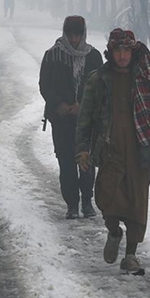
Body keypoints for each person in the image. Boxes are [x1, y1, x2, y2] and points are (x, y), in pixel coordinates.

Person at [75, 28, 150, 274]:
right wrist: (82, 149)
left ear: (132, 52)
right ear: (110, 52)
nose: (122, 56)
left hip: (141, 151)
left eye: (126, 51)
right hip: (110, 150)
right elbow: (85, 119)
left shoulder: (144, 79)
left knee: (137, 203)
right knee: (105, 196)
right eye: (117, 51)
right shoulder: (98, 79)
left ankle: (131, 255)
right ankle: (114, 232)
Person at [40, 16, 104, 219]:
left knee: (86, 161)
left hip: (87, 120)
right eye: (71, 35)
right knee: (66, 162)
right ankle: (71, 204)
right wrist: (59, 105)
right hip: (61, 120)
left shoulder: (93, 56)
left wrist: (82, 105)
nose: (74, 39)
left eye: (77, 34)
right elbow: (45, 85)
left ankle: (87, 201)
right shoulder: (52, 56)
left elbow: (99, 86)